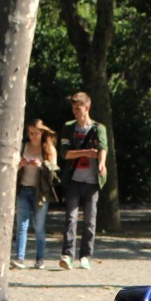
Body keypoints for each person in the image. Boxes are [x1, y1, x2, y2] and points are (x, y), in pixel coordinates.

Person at [58, 92, 108, 270]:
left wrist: (101, 163)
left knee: (90, 220)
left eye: (78, 108)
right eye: (73, 108)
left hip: (92, 181)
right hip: (74, 179)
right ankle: (67, 255)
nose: (75, 112)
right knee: (70, 218)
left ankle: (86, 255)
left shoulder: (98, 128)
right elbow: (65, 154)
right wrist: (86, 153)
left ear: (87, 108)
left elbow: (102, 147)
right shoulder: (68, 128)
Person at [12, 119, 59, 270]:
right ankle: (19, 258)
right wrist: (20, 164)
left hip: (40, 193)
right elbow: (13, 166)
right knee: (21, 225)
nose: (33, 136)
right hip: (23, 190)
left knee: (39, 226)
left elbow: (54, 172)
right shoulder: (23, 147)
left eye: (36, 133)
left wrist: (41, 165)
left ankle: (40, 259)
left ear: (42, 133)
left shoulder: (48, 149)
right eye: (31, 133)